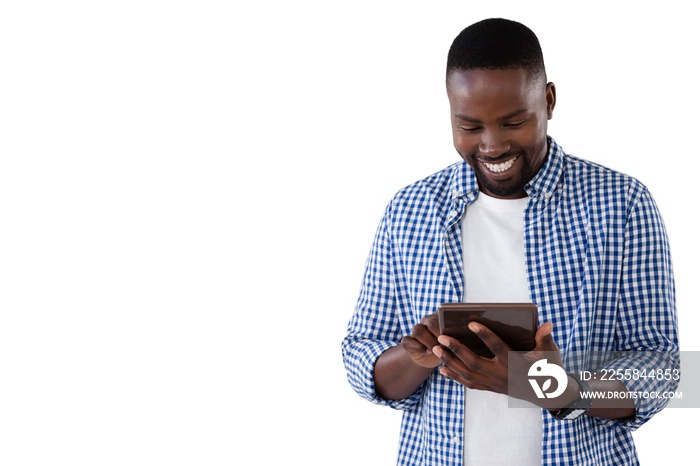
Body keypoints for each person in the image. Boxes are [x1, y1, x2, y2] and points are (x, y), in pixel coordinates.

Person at [341, 18, 679, 466]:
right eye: (469, 125)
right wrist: (413, 357)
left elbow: (663, 368)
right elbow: (360, 353)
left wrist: (547, 386)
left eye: (513, 121)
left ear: (549, 100)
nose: (492, 145)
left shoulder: (623, 204)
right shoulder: (409, 209)